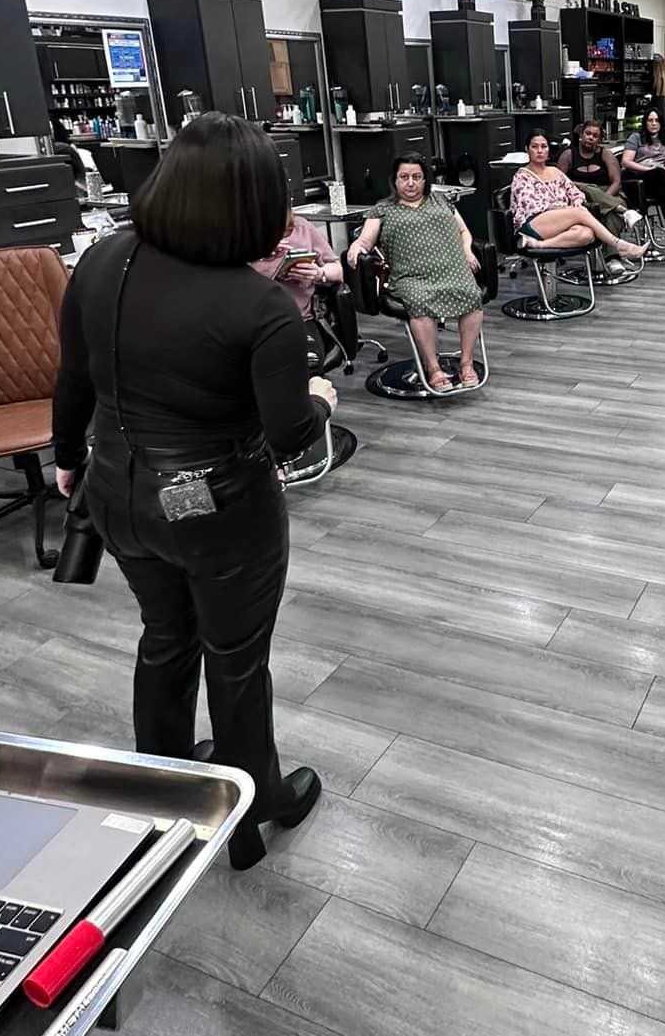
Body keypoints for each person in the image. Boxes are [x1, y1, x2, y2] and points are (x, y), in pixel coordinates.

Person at [52, 114, 332, 872]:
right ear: (248, 207)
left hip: (116, 491)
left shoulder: (102, 259)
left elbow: (74, 375)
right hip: (221, 509)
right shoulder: (260, 307)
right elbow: (291, 436)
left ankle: (164, 800)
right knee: (235, 660)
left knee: (164, 638)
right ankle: (251, 809)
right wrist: (318, 395)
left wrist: (67, 457)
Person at [345, 155, 486, 392]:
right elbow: (365, 241)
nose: (411, 183)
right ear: (395, 180)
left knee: (472, 295)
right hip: (410, 275)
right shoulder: (383, 209)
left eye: (417, 177)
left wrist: (467, 251)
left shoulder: (441, 201)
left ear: (425, 180)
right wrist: (356, 247)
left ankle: (466, 363)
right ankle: (433, 368)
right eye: (404, 177)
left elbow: (463, 231)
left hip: (451, 268)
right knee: (419, 302)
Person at [509, 130, 646, 264]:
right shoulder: (522, 176)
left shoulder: (555, 171)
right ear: (527, 149)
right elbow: (531, 206)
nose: (540, 151)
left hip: (559, 222)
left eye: (544, 146)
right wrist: (566, 210)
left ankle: (538, 245)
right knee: (579, 212)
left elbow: (575, 192)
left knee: (587, 234)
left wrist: (576, 201)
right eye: (534, 146)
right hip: (533, 224)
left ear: (549, 150)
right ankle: (619, 245)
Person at [251, 208, 346, 366]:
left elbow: (337, 270)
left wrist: (319, 272)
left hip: (299, 319)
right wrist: (264, 257)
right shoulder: (241, 235)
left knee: (306, 365)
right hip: (255, 322)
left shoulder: (302, 227)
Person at [621, 107, 665, 252]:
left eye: (657, 120)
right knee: (661, 179)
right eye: (650, 120)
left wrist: (663, 171)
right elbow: (625, 162)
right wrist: (649, 170)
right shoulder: (636, 137)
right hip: (641, 180)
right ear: (645, 122)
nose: (653, 123)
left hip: (660, 179)